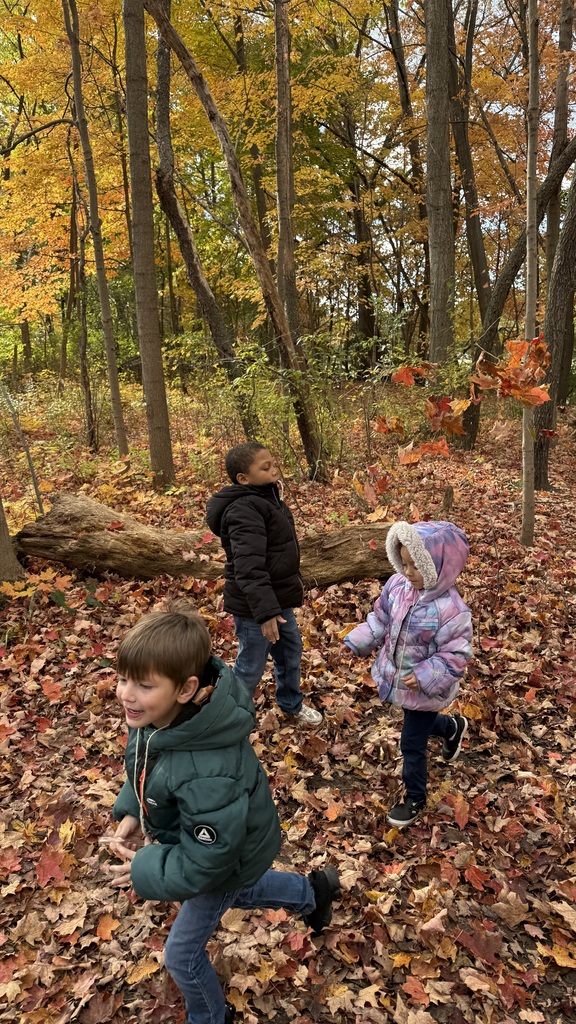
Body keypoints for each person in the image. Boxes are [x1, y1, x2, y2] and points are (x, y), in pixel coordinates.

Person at [101, 602, 340, 1024]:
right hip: (225, 852)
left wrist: (145, 865)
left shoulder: (207, 769)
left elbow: (209, 858)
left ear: (186, 689)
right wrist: (133, 812)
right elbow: (146, 771)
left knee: (182, 955)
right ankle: (312, 893)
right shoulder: (159, 722)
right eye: (122, 679)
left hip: (225, 852)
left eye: (142, 684)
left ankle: (210, 1017)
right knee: (240, 889)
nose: (125, 693)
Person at [344, 520, 473, 828]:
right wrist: (361, 638)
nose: (408, 571)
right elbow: (381, 617)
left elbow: (457, 654)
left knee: (411, 743)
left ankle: (415, 797)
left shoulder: (451, 610)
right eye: (403, 563)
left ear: (440, 567)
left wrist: (428, 674)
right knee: (418, 721)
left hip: (427, 688)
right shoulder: (398, 586)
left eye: (417, 565)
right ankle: (453, 728)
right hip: (400, 678)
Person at [206, 441, 322, 726]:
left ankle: (290, 704)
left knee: (290, 652)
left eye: (274, 463)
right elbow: (248, 566)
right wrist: (266, 612)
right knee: (250, 666)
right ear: (243, 479)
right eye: (265, 467)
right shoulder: (243, 510)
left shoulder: (267, 497)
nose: (274, 470)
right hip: (255, 608)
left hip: (277, 599)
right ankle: (228, 720)